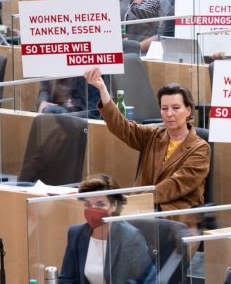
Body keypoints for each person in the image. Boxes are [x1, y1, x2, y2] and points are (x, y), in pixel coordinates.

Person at [84, 68, 210, 211]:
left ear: (188, 111)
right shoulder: (153, 135)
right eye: (164, 108)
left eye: (176, 108)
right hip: (143, 207)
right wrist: (102, 89)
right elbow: (121, 127)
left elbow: (176, 184)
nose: (169, 114)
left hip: (174, 211)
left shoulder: (200, 148)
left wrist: (137, 201)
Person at [59, 173, 156, 284]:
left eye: (100, 204)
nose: (93, 209)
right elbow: (66, 279)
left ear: (113, 206)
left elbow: (150, 279)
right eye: (88, 204)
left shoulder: (129, 237)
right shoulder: (76, 234)